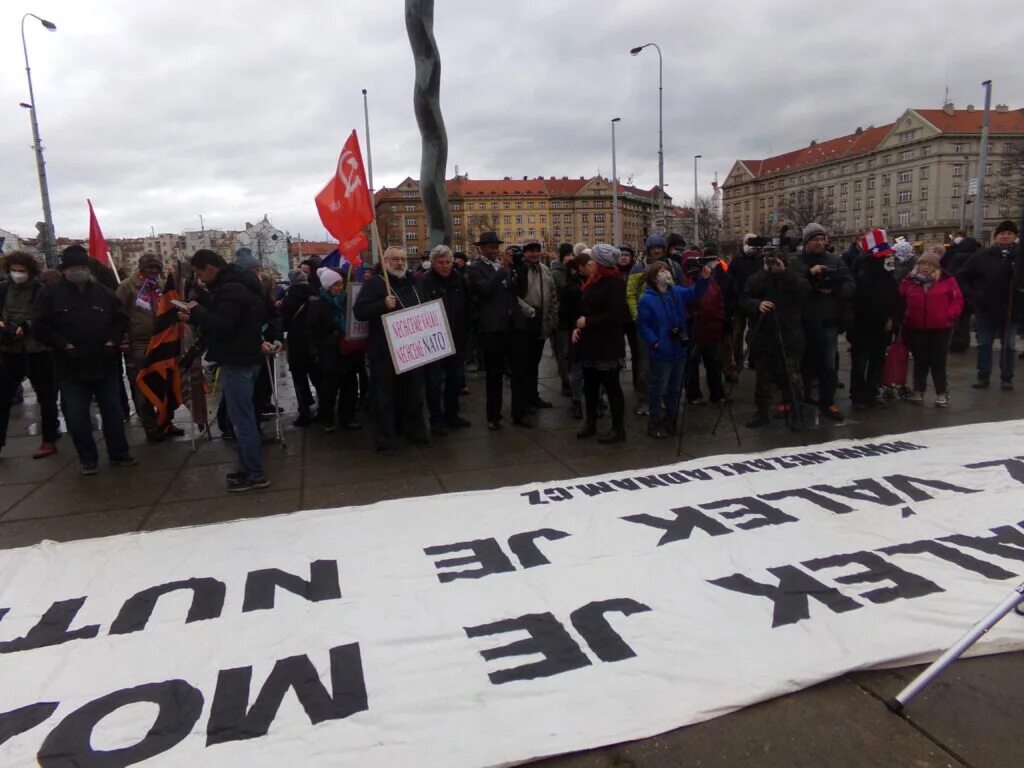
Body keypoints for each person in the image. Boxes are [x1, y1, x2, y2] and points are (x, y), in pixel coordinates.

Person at [33, 245, 136, 475]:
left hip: (104, 363)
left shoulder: (103, 292)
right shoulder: (50, 294)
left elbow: (120, 319)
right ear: (64, 271)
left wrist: (112, 342)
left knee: (113, 412)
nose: (79, 271)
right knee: (77, 416)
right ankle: (87, 459)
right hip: (71, 366)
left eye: (82, 267)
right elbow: (40, 326)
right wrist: (63, 344)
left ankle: (119, 453)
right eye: (74, 268)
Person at [179, 249, 269, 492]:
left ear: (211, 268)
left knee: (242, 420)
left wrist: (197, 311)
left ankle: (255, 473)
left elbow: (222, 326)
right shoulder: (237, 284)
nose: (199, 278)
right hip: (246, 355)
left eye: (199, 273)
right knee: (242, 417)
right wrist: (199, 310)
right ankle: (247, 468)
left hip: (238, 359)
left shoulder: (232, 289)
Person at [354, 246, 430, 454]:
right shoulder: (375, 283)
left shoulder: (415, 282)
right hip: (384, 352)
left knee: (414, 395)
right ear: (385, 261)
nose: (399, 263)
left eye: (402, 259)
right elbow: (359, 312)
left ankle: (415, 433)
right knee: (384, 398)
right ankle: (386, 440)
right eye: (395, 259)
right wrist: (382, 305)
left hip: (413, 349)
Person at [637, 260, 710, 439]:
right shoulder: (647, 300)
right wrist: (654, 342)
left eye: (667, 270)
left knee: (675, 389)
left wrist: (704, 279)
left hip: (678, 347)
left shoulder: (676, 292)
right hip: (662, 350)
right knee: (659, 387)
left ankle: (671, 422)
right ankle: (656, 423)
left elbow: (694, 293)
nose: (666, 273)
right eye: (661, 271)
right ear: (653, 277)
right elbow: (643, 325)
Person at [115, 253, 185, 441]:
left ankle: (166, 422)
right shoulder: (128, 286)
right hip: (139, 343)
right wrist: (123, 340)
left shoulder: (161, 285)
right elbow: (118, 315)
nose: (154, 271)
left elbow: (172, 304)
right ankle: (150, 426)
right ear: (141, 268)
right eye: (150, 267)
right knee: (143, 386)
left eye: (156, 267)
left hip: (162, 341)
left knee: (164, 384)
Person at [789, 222, 854, 421]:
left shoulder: (835, 260)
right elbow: (789, 286)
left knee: (828, 364)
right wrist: (810, 276)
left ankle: (828, 403)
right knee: (802, 365)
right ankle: (800, 400)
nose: (819, 243)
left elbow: (851, 285)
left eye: (822, 239)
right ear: (806, 242)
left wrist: (833, 288)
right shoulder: (796, 261)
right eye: (815, 239)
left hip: (828, 320)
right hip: (802, 321)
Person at [742, 250, 811, 429]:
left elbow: (803, 291)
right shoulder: (757, 278)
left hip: (789, 333)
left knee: (792, 375)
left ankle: (796, 412)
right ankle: (762, 411)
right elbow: (744, 299)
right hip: (764, 334)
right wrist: (757, 304)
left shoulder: (794, 276)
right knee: (763, 376)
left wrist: (783, 272)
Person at [0, 251, 59, 459]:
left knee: (47, 396)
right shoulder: (3, 289)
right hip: (9, 350)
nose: (17, 274)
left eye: (21, 270)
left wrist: (26, 326)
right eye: (14, 270)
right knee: (2, 398)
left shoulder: (41, 291)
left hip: (38, 350)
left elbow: (47, 317)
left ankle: (49, 439)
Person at [573, 244, 630, 444]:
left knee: (612, 387)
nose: (591, 263)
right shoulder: (594, 280)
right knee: (590, 386)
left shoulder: (615, 283)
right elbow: (586, 307)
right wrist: (579, 326)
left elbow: (614, 316)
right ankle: (590, 422)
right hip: (590, 343)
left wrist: (587, 322)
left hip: (607, 345)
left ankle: (618, 428)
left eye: (594, 260)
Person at [957, 220, 1022, 389]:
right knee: (984, 343)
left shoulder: (1020, 257)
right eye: (1002, 233)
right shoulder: (982, 256)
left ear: (1015, 236)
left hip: (1011, 309)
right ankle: (983, 375)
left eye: (1009, 233)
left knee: (1009, 345)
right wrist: (972, 295)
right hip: (985, 308)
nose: (1005, 236)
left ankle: (1007, 377)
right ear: (996, 237)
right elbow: (962, 276)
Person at [900, 248, 964, 407]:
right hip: (917, 326)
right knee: (920, 360)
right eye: (922, 263)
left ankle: (942, 393)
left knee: (938, 362)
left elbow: (957, 300)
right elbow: (900, 299)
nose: (925, 267)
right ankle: (918, 390)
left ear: (936, 267)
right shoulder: (909, 281)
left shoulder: (947, 280)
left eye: (929, 264)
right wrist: (906, 317)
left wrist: (949, 315)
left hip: (941, 327)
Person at [419, 244, 471, 434]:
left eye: (448, 262)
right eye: (441, 262)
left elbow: (467, 305)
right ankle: (436, 419)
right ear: (433, 263)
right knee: (434, 383)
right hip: (434, 341)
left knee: (455, 380)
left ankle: (452, 414)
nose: (446, 266)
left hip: (456, 337)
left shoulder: (459, 279)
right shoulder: (424, 281)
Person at [466, 232, 516, 431]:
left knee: (513, 370)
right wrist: (502, 271)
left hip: (509, 325)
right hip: (491, 327)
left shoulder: (502, 266)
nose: (495, 251)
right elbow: (485, 289)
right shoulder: (476, 268)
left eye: (496, 247)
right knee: (494, 374)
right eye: (490, 247)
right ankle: (493, 415)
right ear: (482, 248)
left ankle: (517, 411)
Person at [626, 235, 681, 416]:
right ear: (648, 249)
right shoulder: (638, 267)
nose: (657, 251)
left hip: (667, 325)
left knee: (667, 365)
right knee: (645, 365)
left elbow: (678, 292)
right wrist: (637, 316)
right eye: (653, 248)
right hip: (647, 324)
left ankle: (663, 398)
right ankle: (644, 400)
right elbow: (631, 293)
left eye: (660, 247)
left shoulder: (673, 267)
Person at [848, 229, 900, 410]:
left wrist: (893, 319)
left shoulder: (888, 276)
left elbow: (896, 300)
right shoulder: (862, 276)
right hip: (863, 328)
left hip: (883, 329)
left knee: (877, 363)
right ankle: (858, 396)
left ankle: (872, 392)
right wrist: (884, 320)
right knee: (860, 363)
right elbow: (863, 304)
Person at [509, 238, 558, 425]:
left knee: (534, 363)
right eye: (530, 250)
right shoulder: (518, 270)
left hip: (541, 320)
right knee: (521, 365)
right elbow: (513, 296)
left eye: (537, 250)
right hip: (524, 321)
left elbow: (552, 294)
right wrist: (528, 311)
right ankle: (520, 406)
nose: (534, 254)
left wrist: (552, 317)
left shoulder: (545, 270)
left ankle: (533, 396)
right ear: (524, 253)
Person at [308, 267, 362, 433]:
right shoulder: (317, 304)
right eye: (336, 284)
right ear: (327, 286)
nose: (340, 287)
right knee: (329, 390)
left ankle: (348, 417)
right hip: (328, 353)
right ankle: (327, 419)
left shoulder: (347, 300)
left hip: (347, 350)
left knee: (350, 386)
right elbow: (311, 330)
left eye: (340, 283)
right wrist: (315, 353)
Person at [681, 254, 731, 405]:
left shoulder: (712, 282)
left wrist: (720, 320)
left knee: (714, 363)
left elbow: (719, 302)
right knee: (692, 365)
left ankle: (717, 393)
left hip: (712, 329)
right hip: (693, 330)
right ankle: (693, 394)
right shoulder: (685, 283)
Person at [280, 269, 319, 426]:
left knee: (299, 378)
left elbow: (284, 324)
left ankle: (304, 412)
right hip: (314, 341)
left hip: (296, 343)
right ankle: (325, 409)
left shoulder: (289, 299)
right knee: (317, 377)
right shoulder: (315, 294)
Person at [728, 234, 765, 378]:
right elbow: (729, 281)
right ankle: (738, 362)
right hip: (739, 304)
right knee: (737, 334)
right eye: (748, 242)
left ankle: (753, 360)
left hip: (755, 303)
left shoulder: (761, 260)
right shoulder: (736, 261)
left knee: (755, 333)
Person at [943, 231, 980, 352]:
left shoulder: (956, 257)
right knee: (966, 318)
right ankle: (964, 341)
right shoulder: (977, 257)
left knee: (957, 317)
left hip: (958, 291)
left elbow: (950, 273)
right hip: (971, 292)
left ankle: (957, 342)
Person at [549, 242, 574, 395]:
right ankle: (566, 382)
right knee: (563, 351)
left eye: (572, 254)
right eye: (568, 255)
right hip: (561, 318)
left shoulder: (574, 271)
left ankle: (572, 379)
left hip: (573, 317)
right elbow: (552, 297)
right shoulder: (555, 273)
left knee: (572, 351)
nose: (570, 258)